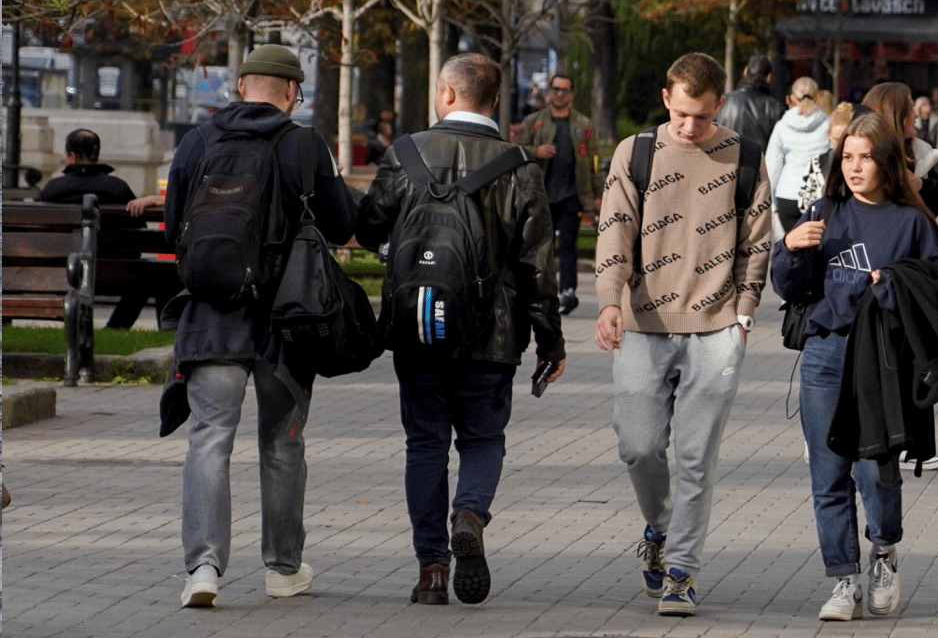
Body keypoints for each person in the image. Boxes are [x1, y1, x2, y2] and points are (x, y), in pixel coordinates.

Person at [356, 54, 565, 606]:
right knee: (483, 438)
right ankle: (470, 513)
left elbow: (367, 225)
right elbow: (539, 265)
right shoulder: (521, 166)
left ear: (446, 94)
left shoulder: (406, 153)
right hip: (491, 336)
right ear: (494, 101)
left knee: (424, 443)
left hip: (417, 324)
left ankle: (431, 571)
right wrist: (551, 340)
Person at [163, 44, 358, 608]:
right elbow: (343, 223)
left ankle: (202, 568)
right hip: (286, 321)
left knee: (208, 441)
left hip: (211, 319)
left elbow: (176, 223)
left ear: (240, 84)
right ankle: (282, 567)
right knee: (281, 443)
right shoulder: (304, 144)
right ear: (294, 91)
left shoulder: (198, 141)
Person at [594, 52, 772, 617]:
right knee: (638, 444)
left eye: (701, 115)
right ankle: (659, 527)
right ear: (667, 98)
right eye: (680, 113)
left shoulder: (744, 156)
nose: (689, 126)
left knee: (697, 457)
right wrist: (607, 301)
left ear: (718, 103)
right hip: (645, 323)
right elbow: (615, 229)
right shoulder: (637, 152)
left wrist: (744, 312)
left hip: (717, 327)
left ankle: (681, 571)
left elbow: (757, 237)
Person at [772, 110, 938, 622]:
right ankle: (842, 579)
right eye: (846, 157)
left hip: (882, 360)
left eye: (865, 158)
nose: (853, 167)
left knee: (876, 472)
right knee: (828, 474)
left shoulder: (913, 221)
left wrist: (891, 286)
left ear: (887, 162)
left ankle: (885, 550)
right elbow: (791, 287)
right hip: (825, 354)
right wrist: (790, 247)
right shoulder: (826, 210)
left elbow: (934, 294)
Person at [41, 129, 155, 328]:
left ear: (72, 156)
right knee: (149, 277)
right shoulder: (118, 188)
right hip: (115, 273)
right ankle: (116, 327)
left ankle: (73, 324)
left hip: (63, 272)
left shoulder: (52, 189)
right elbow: (139, 232)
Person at [514, 73, 603, 315]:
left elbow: (594, 161)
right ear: (549, 92)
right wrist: (536, 150)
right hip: (540, 194)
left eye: (564, 90)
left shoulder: (583, 125)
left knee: (567, 245)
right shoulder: (533, 121)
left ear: (571, 95)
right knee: (540, 246)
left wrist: (597, 194)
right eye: (555, 89)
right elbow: (516, 151)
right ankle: (541, 291)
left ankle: (567, 292)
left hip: (572, 195)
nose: (559, 94)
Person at [862, 82, 938, 216]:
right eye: (910, 108)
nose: (915, 115)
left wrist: (920, 184)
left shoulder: (916, 148)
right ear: (894, 115)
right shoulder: (862, 152)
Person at [767, 76, 830, 231]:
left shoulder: (781, 126)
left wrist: (772, 200)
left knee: (791, 249)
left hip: (787, 194)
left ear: (793, 99)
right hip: (817, 196)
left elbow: (773, 166)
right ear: (816, 97)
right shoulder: (828, 125)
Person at [713, 54, 785, 148]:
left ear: (745, 71)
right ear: (768, 77)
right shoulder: (775, 107)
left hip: (726, 160)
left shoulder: (722, 101)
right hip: (758, 161)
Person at [795, 102, 853, 215]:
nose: (841, 145)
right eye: (837, 140)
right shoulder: (817, 163)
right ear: (828, 135)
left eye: (845, 139)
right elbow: (803, 203)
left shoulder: (860, 165)